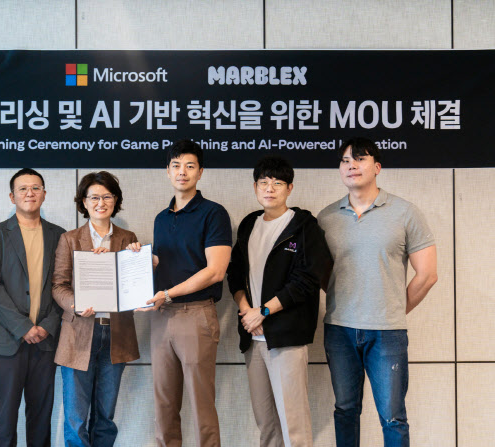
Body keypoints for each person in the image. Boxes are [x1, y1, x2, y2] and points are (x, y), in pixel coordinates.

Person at [317, 137, 438, 447]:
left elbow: (427, 274)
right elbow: (322, 274)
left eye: (360, 159)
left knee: (393, 417)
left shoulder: (405, 212)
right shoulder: (326, 218)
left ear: (377, 167)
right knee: (345, 411)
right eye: (345, 160)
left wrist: (392, 308)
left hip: (387, 333)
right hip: (339, 330)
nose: (351, 165)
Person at [129, 139, 232, 447]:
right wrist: (138, 260)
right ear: (167, 171)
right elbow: (163, 263)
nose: (182, 172)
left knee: (201, 404)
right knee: (163, 405)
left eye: (189, 166)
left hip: (196, 315)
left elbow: (215, 271)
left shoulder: (214, 213)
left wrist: (168, 293)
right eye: (176, 166)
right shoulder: (162, 218)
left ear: (200, 172)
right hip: (161, 316)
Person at [227, 155, 331, 447]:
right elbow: (235, 273)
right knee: (267, 425)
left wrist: (263, 311)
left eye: (277, 183)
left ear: (290, 188)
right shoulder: (249, 224)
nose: (269, 189)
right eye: (263, 183)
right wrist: (247, 312)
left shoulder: (304, 226)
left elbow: (307, 280)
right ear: (255, 187)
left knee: (293, 424)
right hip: (253, 337)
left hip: (286, 338)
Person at [52, 171, 140, 447]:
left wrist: (139, 260)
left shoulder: (128, 238)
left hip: (116, 334)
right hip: (78, 334)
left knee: (105, 417)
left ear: (116, 200)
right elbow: (58, 285)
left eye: (107, 196)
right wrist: (76, 305)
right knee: (76, 419)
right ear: (84, 202)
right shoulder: (70, 239)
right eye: (94, 197)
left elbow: (134, 286)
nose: (101, 203)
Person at [0, 168, 66, 447]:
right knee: (5, 416)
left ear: (44, 194)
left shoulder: (59, 235)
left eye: (36, 188)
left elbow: (65, 285)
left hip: (45, 340)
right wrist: (23, 327)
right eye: (23, 189)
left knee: (41, 416)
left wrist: (47, 326)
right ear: (12, 196)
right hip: (7, 341)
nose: (30, 193)